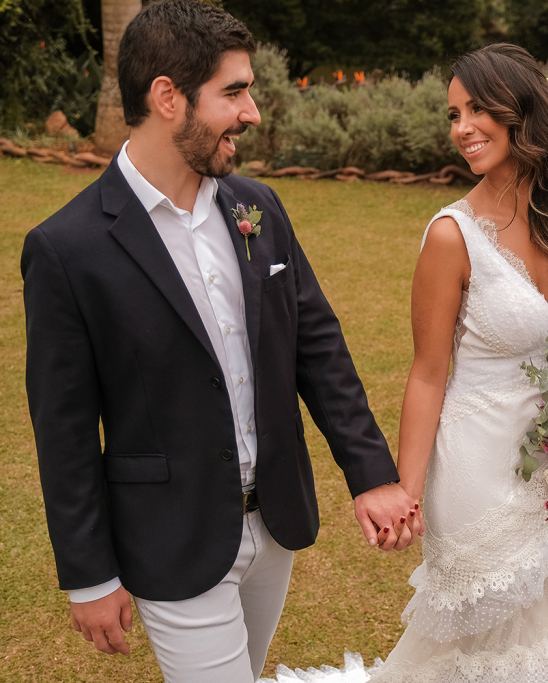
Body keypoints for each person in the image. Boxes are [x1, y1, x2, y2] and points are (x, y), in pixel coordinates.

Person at [20, 2, 420, 681]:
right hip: (172, 531)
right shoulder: (66, 248)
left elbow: (316, 344)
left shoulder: (256, 206)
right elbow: (62, 428)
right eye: (234, 92)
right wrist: (88, 574)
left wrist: (372, 472)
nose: (253, 111)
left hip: (275, 523)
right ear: (167, 97)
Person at [271, 44, 548, 683]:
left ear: (522, 111)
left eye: (477, 109)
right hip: (479, 470)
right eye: (453, 114)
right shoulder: (451, 235)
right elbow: (427, 371)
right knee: (487, 654)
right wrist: (406, 492)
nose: (462, 128)